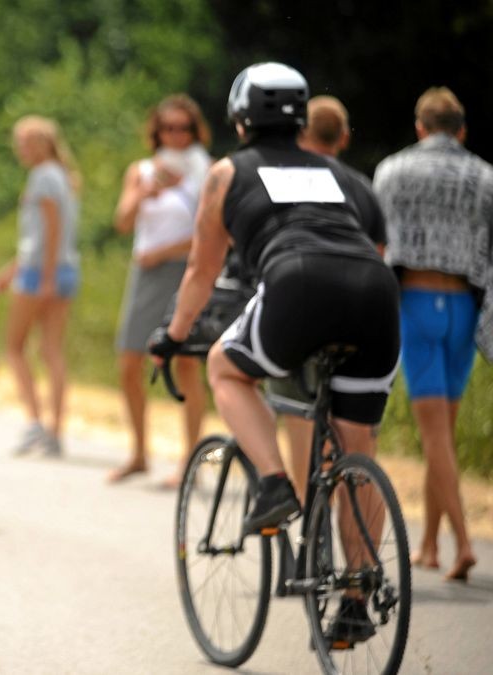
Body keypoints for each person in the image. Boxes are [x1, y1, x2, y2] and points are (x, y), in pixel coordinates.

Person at [151, 63, 399, 641]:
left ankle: (273, 484)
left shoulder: (228, 173)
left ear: (240, 118)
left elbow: (201, 268)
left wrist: (172, 333)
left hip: (297, 282)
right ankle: (359, 594)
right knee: (358, 451)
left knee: (225, 369)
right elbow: (375, 248)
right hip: (375, 293)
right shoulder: (349, 178)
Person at [374, 87, 492, 582]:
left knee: (434, 433)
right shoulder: (485, 176)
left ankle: (462, 543)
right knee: (443, 427)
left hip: (416, 305)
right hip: (464, 307)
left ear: (420, 127)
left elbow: (378, 241)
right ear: (462, 130)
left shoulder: (393, 170)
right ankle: (427, 544)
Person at [269, 95, 389, 503]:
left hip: (305, 304)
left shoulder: (287, 176)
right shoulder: (362, 187)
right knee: (358, 449)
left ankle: (304, 513)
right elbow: (379, 254)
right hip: (368, 308)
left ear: (301, 131)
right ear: (343, 137)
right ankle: (362, 561)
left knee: (298, 413)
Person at [108, 95, 212, 486]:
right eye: (167, 127)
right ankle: (138, 452)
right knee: (129, 361)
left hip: (188, 270)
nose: (175, 135)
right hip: (145, 273)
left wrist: (166, 251)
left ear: (195, 130)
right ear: (156, 131)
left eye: (183, 128)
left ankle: (190, 459)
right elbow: (121, 221)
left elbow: (212, 234)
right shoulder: (141, 170)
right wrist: (143, 193)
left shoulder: (208, 169)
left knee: (186, 364)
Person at [0, 115, 81, 457]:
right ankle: (55, 431)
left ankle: (35, 423)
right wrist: (8, 272)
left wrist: (44, 278)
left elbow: (52, 229)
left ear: (42, 143)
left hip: (43, 273)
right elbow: (42, 235)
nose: (20, 149)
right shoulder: (62, 176)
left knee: (15, 347)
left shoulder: (43, 177)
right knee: (51, 350)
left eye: (26, 142)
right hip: (64, 269)